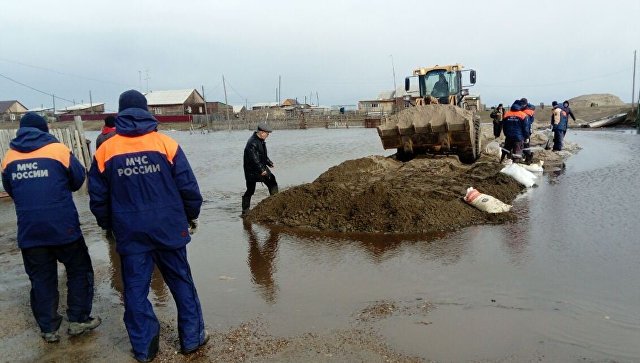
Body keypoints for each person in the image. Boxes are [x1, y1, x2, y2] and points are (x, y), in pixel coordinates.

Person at [88, 90, 207, 362]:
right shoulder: (166, 144)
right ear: (146, 111)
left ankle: (144, 349)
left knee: (135, 290)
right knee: (181, 283)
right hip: (169, 228)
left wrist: (109, 226)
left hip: (130, 232)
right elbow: (188, 187)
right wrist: (191, 216)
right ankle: (192, 339)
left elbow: (98, 197)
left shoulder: (106, 149)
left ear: (121, 113)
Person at [1, 112, 100, 343]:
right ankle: (78, 319)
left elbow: (11, 190)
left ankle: (48, 328)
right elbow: (78, 180)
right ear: (45, 129)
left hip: (30, 231)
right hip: (63, 227)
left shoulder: (9, 157)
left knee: (41, 278)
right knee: (78, 270)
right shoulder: (59, 151)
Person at [242, 123, 278, 216]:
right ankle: (245, 211)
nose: (268, 135)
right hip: (252, 170)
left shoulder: (260, 140)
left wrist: (269, 162)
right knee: (250, 190)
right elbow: (254, 159)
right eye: (267, 133)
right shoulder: (252, 143)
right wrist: (262, 170)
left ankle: (275, 203)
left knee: (272, 181)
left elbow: (262, 155)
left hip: (259, 167)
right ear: (262, 132)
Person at [520, 98, 536, 164]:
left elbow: (531, 121)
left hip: (526, 130)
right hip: (524, 129)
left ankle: (528, 158)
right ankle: (526, 156)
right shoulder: (526, 110)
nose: (522, 105)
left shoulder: (528, 111)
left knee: (526, 144)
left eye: (523, 104)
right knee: (524, 143)